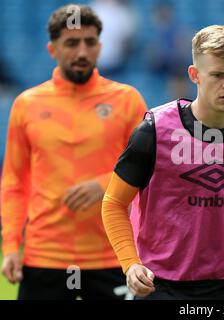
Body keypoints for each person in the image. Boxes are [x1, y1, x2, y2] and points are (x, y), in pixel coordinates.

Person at [102, 25, 224, 300]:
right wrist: (130, 264)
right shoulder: (152, 131)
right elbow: (114, 203)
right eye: (217, 75)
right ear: (195, 75)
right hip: (161, 287)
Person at [0, 4, 148, 300]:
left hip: (112, 256)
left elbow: (152, 171)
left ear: (100, 46)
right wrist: (10, 246)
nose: (82, 52)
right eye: (71, 43)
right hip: (46, 257)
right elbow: (15, 182)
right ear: (52, 49)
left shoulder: (127, 100)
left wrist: (105, 185)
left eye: (90, 42)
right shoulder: (27, 104)